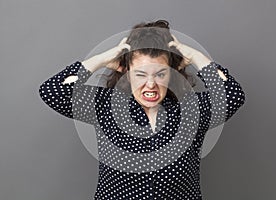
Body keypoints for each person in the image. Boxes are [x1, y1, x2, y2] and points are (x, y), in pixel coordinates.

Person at [39, 20, 245, 200]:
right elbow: (53, 91)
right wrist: (103, 59)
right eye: (140, 74)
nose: (150, 84)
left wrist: (196, 56)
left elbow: (233, 95)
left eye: (160, 74)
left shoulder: (190, 110)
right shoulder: (107, 106)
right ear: (127, 73)